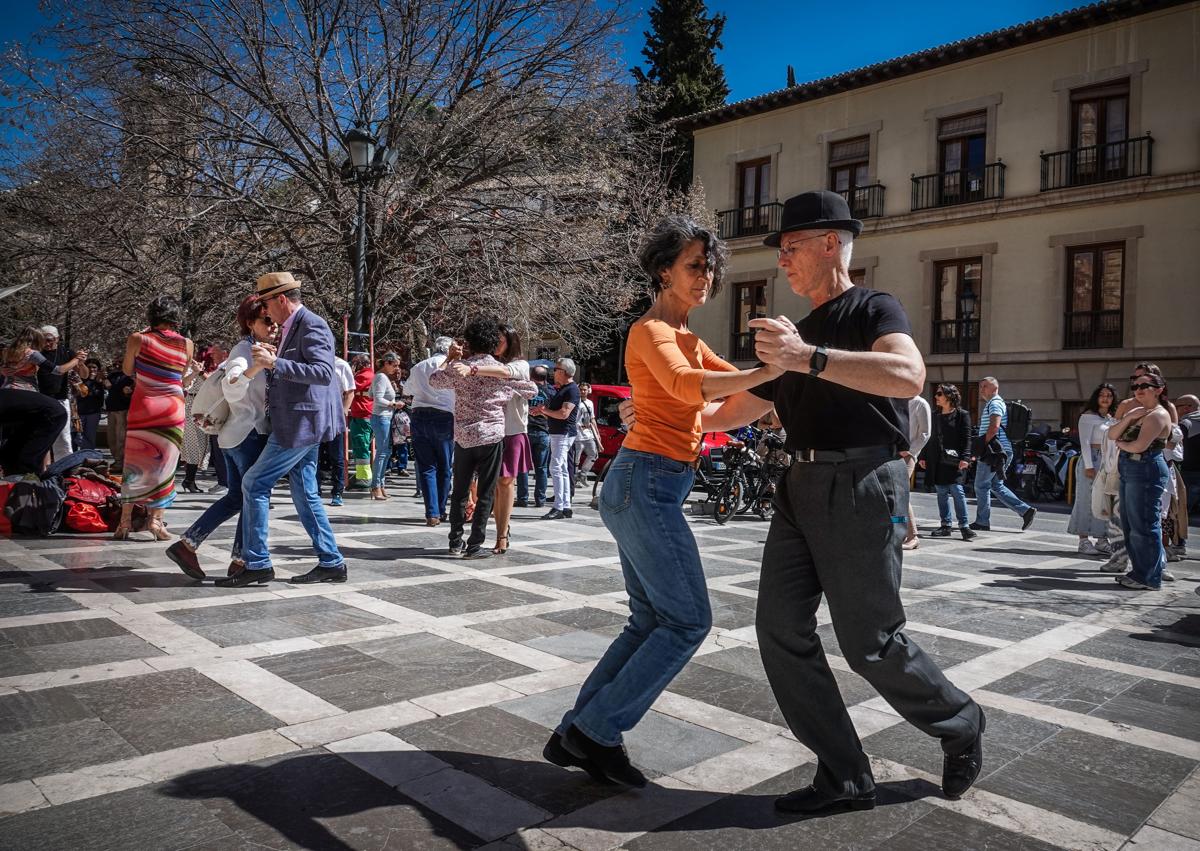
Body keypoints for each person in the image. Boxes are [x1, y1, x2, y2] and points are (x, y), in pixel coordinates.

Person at [659, 191, 986, 813]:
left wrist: (808, 358)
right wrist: (663, 410)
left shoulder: (873, 307)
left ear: (830, 243)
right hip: (798, 487)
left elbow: (907, 375)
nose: (781, 260)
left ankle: (959, 719)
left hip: (862, 484)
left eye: (790, 247)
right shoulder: (795, 334)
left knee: (871, 642)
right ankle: (844, 773)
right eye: (780, 250)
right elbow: (738, 408)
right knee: (778, 629)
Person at [548, 216, 778, 787]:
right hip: (643, 483)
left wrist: (781, 381)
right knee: (689, 620)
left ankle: (579, 730)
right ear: (664, 271)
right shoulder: (649, 332)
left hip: (650, 487)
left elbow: (733, 405)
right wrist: (765, 373)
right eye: (695, 265)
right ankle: (594, 730)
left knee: (649, 620)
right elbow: (687, 388)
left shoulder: (692, 341)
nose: (707, 276)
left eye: (710, 267)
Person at [234, 272, 347, 586]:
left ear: (281, 299)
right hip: (298, 422)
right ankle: (331, 561)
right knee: (305, 492)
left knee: (254, 483)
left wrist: (275, 364)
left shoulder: (312, 324)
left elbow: (324, 373)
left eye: (267, 303)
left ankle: (257, 563)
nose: (266, 312)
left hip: (302, 424)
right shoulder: (290, 327)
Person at [166, 295, 275, 582]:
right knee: (252, 497)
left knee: (238, 497)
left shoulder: (260, 348)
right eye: (267, 320)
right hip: (246, 434)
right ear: (251, 322)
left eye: (275, 320)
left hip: (240, 435)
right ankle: (241, 559)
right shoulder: (245, 349)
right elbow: (232, 383)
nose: (274, 325)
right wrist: (258, 366)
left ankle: (191, 544)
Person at [431, 318, 536, 559]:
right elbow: (531, 390)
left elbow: (434, 381)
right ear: (492, 343)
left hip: (464, 436)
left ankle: (454, 540)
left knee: (459, 490)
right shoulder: (500, 372)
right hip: (491, 436)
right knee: (487, 491)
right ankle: (475, 544)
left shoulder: (461, 368)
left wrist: (450, 358)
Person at [114, 295, 195, 541]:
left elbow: (128, 370)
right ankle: (156, 522)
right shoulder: (187, 344)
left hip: (145, 405)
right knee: (165, 466)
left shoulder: (138, 338)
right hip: (172, 406)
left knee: (135, 464)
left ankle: (124, 523)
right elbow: (181, 373)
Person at [1110, 372, 1173, 590]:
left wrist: (1122, 444)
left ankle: (1149, 577)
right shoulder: (1138, 412)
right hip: (1131, 467)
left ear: (1159, 389)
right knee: (1130, 524)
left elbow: (1138, 446)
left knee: (1144, 525)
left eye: (1145, 385)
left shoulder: (1158, 415)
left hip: (1145, 468)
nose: (1138, 388)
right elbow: (1111, 434)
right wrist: (1128, 418)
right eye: (1135, 385)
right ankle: (1139, 572)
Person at [0, 326, 75, 475]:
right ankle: (38, 470)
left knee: (12, 436)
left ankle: (9, 468)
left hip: (7, 393)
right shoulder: (32, 353)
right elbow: (57, 370)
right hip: (26, 395)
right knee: (39, 432)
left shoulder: (8, 351)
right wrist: (75, 360)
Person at [970, 377, 1036, 532]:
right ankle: (1026, 511)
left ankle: (982, 521)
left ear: (994, 388)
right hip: (1000, 451)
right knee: (995, 485)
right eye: (980, 386)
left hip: (993, 452)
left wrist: (980, 444)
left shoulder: (994, 403)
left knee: (981, 485)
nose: (981, 389)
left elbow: (994, 427)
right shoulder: (994, 403)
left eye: (984, 386)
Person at [408, 336, 456, 526]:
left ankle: (431, 512)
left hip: (419, 415)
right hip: (444, 415)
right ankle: (441, 509)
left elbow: (408, 389)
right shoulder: (453, 367)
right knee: (444, 466)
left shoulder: (419, 366)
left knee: (427, 467)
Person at [921, 384, 976, 540]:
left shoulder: (962, 415)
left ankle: (964, 526)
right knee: (942, 493)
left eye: (939, 394)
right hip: (936, 460)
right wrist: (923, 457)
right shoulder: (934, 415)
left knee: (958, 491)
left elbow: (967, 439)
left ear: (949, 396)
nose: (936, 396)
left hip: (954, 461)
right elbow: (928, 437)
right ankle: (945, 525)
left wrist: (965, 458)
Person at [1069, 383, 1118, 555]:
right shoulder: (1088, 416)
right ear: (1096, 398)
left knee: (1104, 502)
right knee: (1085, 500)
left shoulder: (1112, 418)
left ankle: (1101, 539)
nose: (1106, 398)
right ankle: (1083, 540)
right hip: (1092, 459)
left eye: (1109, 395)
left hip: (1108, 461)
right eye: (1102, 395)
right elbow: (1085, 443)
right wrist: (1089, 466)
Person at [534, 357, 580, 519]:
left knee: (556, 467)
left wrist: (544, 411)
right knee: (561, 469)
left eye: (557, 369)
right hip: (558, 432)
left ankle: (559, 506)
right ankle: (565, 505)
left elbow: (563, 414)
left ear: (565, 372)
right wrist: (543, 412)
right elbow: (556, 414)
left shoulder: (572, 389)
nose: (554, 372)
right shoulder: (564, 389)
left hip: (563, 433)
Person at [35, 325, 76, 463]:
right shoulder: (36, 353)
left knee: (63, 436)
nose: (46, 343)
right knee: (40, 435)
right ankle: (40, 469)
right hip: (40, 398)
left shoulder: (67, 352)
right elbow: (59, 370)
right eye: (43, 340)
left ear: (57, 339)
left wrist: (80, 362)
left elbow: (84, 374)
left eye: (49, 339)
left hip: (60, 398)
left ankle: (65, 467)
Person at [180, 347, 217, 493]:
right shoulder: (191, 367)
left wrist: (200, 372)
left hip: (206, 408)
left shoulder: (215, 369)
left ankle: (189, 480)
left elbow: (212, 383)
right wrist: (195, 371)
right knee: (194, 445)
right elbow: (184, 383)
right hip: (192, 408)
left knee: (201, 445)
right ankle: (189, 481)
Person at [369, 352, 403, 500]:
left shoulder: (381, 377)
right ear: (387, 363)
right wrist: (393, 404)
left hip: (385, 417)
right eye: (394, 365)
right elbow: (377, 398)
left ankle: (380, 484)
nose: (396, 368)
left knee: (387, 451)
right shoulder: (381, 377)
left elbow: (370, 394)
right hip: (381, 417)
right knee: (382, 452)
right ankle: (376, 485)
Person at [516, 366, 551, 507]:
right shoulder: (552, 391)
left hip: (526, 430)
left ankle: (523, 498)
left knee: (523, 467)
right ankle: (540, 499)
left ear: (531, 376)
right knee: (541, 468)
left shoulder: (526, 390)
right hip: (543, 431)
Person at [322, 354, 355, 506]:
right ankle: (314, 490)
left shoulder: (341, 365)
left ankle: (337, 492)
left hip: (335, 415)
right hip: (315, 414)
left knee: (337, 456)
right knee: (312, 455)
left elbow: (350, 391)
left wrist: (343, 411)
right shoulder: (312, 362)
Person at [901, 393, 931, 549]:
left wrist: (910, 451)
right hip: (892, 453)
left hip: (908, 455)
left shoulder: (921, 404)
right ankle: (900, 532)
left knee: (901, 493)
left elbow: (925, 433)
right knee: (893, 495)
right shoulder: (896, 399)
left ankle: (913, 536)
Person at [347, 354, 374, 488]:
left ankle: (364, 478)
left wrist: (350, 373)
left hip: (363, 415)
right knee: (360, 446)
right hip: (363, 414)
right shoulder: (369, 374)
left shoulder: (365, 375)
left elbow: (350, 386)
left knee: (361, 446)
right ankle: (361, 475)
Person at [104, 360, 135, 472]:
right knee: (111, 437)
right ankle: (117, 460)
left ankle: (120, 462)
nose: (117, 365)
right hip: (111, 409)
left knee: (120, 437)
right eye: (115, 363)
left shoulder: (130, 377)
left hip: (123, 410)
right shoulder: (112, 375)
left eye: (120, 363)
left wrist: (129, 391)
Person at [1177, 394, 1200, 524]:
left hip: (1189, 474)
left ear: (1186, 408)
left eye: (1177, 407)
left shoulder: (1186, 423)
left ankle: (1179, 541)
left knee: (1182, 512)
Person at [574, 383, 602, 488]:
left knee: (594, 454)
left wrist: (597, 433)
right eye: (581, 389)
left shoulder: (590, 403)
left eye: (585, 390)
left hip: (588, 434)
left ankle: (583, 474)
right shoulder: (575, 402)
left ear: (588, 390)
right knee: (576, 458)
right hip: (577, 435)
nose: (583, 392)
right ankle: (574, 478)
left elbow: (592, 418)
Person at [74, 358, 106, 450]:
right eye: (89, 367)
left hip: (93, 413)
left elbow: (99, 396)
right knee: (77, 437)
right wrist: (91, 380)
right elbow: (84, 393)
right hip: (79, 413)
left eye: (94, 367)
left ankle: (89, 457)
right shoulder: (79, 379)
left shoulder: (100, 381)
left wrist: (99, 381)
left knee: (90, 436)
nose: (92, 369)